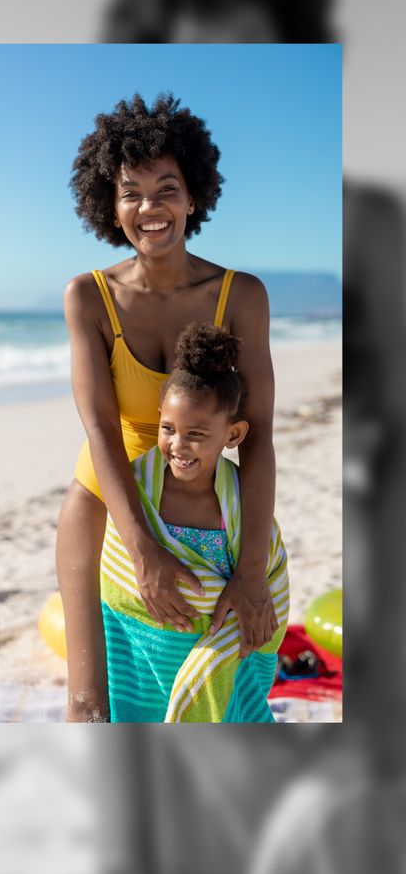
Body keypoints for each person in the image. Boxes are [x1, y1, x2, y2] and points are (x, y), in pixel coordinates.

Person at [56, 91, 279, 721]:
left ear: (194, 195)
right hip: (106, 506)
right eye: (131, 191)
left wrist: (252, 570)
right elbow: (99, 427)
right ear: (109, 202)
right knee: (92, 709)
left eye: (167, 187)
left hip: (208, 508)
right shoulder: (88, 297)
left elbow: (259, 435)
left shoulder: (241, 296)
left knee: (218, 703)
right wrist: (143, 550)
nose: (149, 208)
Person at [100, 322, 288, 722]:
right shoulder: (136, 491)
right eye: (169, 429)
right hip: (155, 651)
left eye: (197, 434)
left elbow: (269, 568)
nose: (178, 446)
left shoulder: (241, 501)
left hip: (220, 649)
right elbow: (118, 575)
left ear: (233, 434)